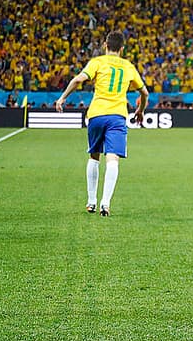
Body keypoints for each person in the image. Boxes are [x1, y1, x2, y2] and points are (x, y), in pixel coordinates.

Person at [55, 30, 149, 217]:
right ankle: (105, 204)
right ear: (122, 49)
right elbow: (144, 93)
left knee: (94, 155)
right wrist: (140, 111)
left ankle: (91, 201)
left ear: (105, 45)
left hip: (96, 114)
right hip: (117, 116)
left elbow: (78, 80)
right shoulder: (128, 66)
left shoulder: (97, 62)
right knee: (112, 159)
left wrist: (62, 98)